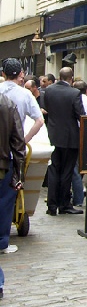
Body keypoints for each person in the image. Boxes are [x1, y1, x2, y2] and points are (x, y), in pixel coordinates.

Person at [0, 59, 44, 253]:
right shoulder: (24, 94)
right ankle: (2, 241)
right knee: (6, 198)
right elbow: (39, 121)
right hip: (10, 153)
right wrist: (23, 140)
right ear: (20, 73)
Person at [41, 67, 84, 215]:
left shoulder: (49, 90)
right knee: (66, 171)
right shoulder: (74, 93)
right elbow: (81, 115)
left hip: (53, 135)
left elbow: (46, 108)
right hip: (70, 138)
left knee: (53, 170)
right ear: (71, 78)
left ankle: (51, 206)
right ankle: (64, 204)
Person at [0, 91, 25, 289]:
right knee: (4, 206)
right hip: (3, 166)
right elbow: (18, 141)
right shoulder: (7, 103)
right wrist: (18, 173)